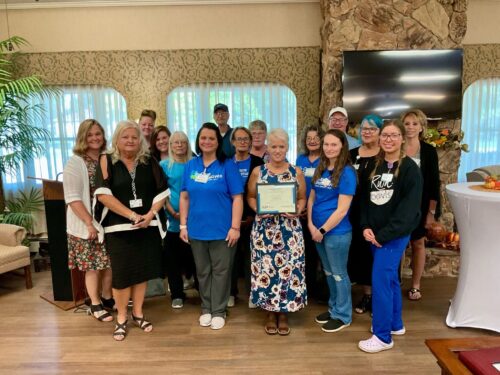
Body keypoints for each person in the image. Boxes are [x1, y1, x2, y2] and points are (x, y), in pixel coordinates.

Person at [95, 120, 169, 341]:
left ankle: (138, 313)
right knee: (122, 275)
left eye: (134, 137)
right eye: (125, 137)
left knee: (141, 273)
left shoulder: (149, 161)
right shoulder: (106, 160)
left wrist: (149, 215)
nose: (130, 141)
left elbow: (162, 192)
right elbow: (102, 194)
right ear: (117, 139)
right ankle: (121, 317)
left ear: (140, 141)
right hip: (118, 228)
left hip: (146, 227)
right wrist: (131, 215)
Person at [358, 119, 423, 353]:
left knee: (381, 281)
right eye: (385, 135)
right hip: (374, 235)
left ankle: (382, 336)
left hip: (392, 237)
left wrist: (383, 236)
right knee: (392, 280)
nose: (388, 139)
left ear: (402, 138)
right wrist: (365, 225)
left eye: (394, 135)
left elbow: (408, 211)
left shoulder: (410, 170)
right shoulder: (373, 165)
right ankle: (395, 324)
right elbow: (364, 200)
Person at [179, 122, 243, 330]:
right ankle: (206, 308)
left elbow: (237, 198)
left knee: (221, 272)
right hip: (197, 230)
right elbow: (185, 196)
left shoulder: (228, 165)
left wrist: (235, 227)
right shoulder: (191, 165)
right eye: (203, 138)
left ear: (218, 142)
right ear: (198, 141)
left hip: (222, 231)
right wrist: (182, 226)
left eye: (211, 138)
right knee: (203, 272)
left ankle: (219, 310)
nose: (206, 141)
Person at [247, 128, 307, 336]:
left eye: (281, 146)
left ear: (287, 147)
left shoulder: (296, 171)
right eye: (274, 146)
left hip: (289, 232)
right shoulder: (258, 172)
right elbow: (251, 197)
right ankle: (269, 313)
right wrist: (258, 210)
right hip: (265, 231)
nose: (278, 150)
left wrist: (297, 211)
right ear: (268, 148)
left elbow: (301, 199)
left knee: (288, 272)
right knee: (266, 270)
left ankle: (284, 313)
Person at [63, 119, 114, 322]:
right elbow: (73, 197)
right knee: (92, 266)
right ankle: (94, 303)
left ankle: (108, 298)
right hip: (86, 224)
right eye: (90, 134)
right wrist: (88, 222)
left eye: (98, 134)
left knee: (109, 263)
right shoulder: (75, 162)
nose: (94, 138)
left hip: (107, 221)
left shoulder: (107, 158)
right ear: (82, 138)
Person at [308, 129, 357, 333]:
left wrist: (322, 229)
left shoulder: (347, 172)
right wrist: (311, 224)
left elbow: (343, 209)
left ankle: (343, 315)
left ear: (342, 146)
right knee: (328, 272)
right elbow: (312, 197)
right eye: (326, 144)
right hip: (317, 230)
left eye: (333, 144)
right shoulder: (321, 167)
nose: (329, 148)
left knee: (338, 274)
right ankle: (334, 308)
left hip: (336, 233)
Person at [401, 109, 440, 301]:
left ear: (421, 127)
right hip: (398, 207)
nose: (410, 127)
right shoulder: (395, 148)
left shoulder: (429, 151)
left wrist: (430, 213)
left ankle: (415, 286)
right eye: (407, 123)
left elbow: (434, 184)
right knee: (397, 244)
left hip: (420, 206)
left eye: (414, 124)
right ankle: (395, 281)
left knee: (418, 244)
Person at [347, 114, 383, 315]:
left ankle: (380, 296)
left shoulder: (386, 155)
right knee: (360, 255)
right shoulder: (351, 154)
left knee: (377, 254)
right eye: (364, 128)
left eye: (372, 129)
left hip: (378, 213)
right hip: (354, 212)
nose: (367, 132)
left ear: (379, 132)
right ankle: (367, 295)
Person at [228, 127, 264, 308]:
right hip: (230, 218)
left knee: (252, 258)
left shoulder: (259, 162)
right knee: (231, 258)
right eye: (239, 139)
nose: (242, 142)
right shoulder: (227, 163)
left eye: (246, 139)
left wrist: (252, 215)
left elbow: (261, 192)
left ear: (250, 142)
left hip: (253, 216)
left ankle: (253, 293)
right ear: (233, 142)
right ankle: (231, 293)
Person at [160, 131, 196, 309]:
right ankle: (176, 294)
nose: (179, 145)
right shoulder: (164, 165)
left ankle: (201, 291)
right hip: (172, 219)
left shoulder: (195, 164)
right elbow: (161, 192)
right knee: (173, 260)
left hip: (194, 219)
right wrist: (171, 210)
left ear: (188, 145)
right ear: (170, 145)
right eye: (176, 142)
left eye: (183, 142)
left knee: (195, 258)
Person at [295, 124, 326, 302]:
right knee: (306, 254)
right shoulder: (300, 159)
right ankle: (307, 288)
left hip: (320, 213)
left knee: (322, 255)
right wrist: (300, 208)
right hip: (302, 213)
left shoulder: (326, 160)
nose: (312, 141)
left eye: (315, 138)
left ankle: (323, 290)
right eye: (309, 138)